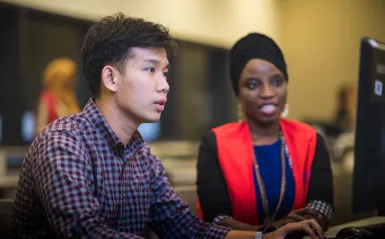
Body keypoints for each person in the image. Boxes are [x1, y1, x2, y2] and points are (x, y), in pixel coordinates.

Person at [10, 14, 326, 239]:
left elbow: (185, 228)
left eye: (165, 72)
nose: (164, 86)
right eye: (150, 70)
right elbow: (85, 231)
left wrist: (265, 237)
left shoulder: (142, 157)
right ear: (110, 78)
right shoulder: (63, 142)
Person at [196, 33, 334, 232]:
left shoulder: (311, 139)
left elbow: (322, 206)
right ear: (238, 93)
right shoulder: (214, 143)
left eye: (277, 82)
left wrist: (295, 231)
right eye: (252, 85)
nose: (267, 93)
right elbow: (216, 218)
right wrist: (269, 233)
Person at [35, 58, 80, 133]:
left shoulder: (70, 98)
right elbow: (40, 127)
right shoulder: (47, 98)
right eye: (66, 79)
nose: (71, 83)